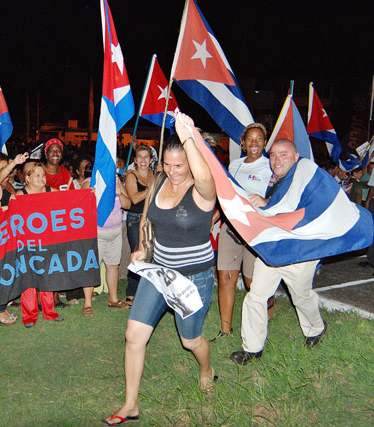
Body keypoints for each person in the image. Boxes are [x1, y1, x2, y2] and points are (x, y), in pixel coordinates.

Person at [103, 114, 218, 425]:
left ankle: (206, 368)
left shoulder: (203, 191)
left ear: (192, 164)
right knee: (133, 335)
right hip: (159, 272)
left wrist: (189, 137)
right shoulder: (158, 181)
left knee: (189, 340)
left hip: (194, 277)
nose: (172, 171)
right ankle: (130, 404)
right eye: (167, 164)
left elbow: (206, 177)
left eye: (179, 165)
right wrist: (143, 248)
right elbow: (148, 222)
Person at [230, 139, 327, 365]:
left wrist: (267, 205)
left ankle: (316, 329)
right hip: (273, 252)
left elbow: (309, 216)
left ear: (296, 157)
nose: (276, 160)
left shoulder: (310, 181)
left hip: (300, 253)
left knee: (301, 297)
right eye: (273, 155)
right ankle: (252, 349)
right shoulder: (277, 183)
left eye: (283, 154)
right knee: (256, 296)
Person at [211, 123, 273, 342]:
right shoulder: (234, 166)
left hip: (256, 230)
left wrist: (266, 201)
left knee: (252, 282)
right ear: (243, 144)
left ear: (265, 143)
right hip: (231, 228)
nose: (254, 143)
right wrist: (216, 216)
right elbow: (227, 195)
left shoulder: (271, 166)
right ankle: (225, 330)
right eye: (250, 139)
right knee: (226, 276)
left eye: (259, 139)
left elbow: (279, 197)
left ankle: (267, 313)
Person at [15, 162, 64, 327]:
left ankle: (49, 311)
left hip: (48, 241)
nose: (42, 178)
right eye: (37, 175)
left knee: (48, 276)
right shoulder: (20, 195)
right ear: (27, 178)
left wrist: (88, 194)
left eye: (43, 175)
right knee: (28, 278)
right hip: (27, 243)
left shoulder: (53, 192)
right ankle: (29, 315)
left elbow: (71, 201)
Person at [0, 151, 29, 324]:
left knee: (12, 270)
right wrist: (13, 163)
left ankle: (4, 304)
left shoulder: (10, 186)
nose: (7, 171)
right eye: (1, 168)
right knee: (2, 272)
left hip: (13, 235)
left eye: (8, 167)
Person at [82, 167, 132, 314]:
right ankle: (87, 304)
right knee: (92, 267)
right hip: (96, 233)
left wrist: (119, 193)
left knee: (113, 266)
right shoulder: (90, 182)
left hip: (115, 233)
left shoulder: (117, 182)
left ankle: (113, 299)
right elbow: (82, 205)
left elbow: (128, 205)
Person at [43, 138, 78, 306]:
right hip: (42, 223)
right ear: (46, 153)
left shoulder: (65, 173)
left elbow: (71, 197)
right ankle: (41, 298)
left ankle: (55, 297)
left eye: (58, 150)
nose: (55, 154)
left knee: (58, 259)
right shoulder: (39, 171)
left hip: (59, 222)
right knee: (43, 260)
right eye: (52, 150)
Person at [123, 144, 154, 305]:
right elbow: (134, 198)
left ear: (151, 160)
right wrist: (150, 189)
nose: (143, 160)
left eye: (146, 157)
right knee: (138, 254)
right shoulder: (131, 176)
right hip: (135, 220)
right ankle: (131, 292)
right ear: (135, 160)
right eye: (140, 156)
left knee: (152, 256)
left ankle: (148, 291)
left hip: (152, 220)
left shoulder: (155, 174)